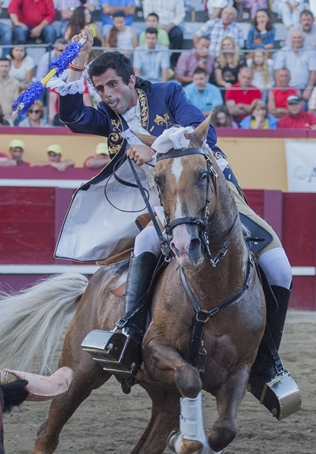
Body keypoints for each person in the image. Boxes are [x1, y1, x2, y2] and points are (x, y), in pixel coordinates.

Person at [55, 34, 299, 418]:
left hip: (212, 194)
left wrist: (154, 149)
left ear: (131, 80)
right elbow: (73, 117)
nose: (107, 94)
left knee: (280, 269)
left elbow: (202, 133)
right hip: (164, 203)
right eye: (99, 89)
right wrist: (75, 64)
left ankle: (267, 361)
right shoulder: (109, 117)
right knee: (145, 243)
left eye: (112, 85)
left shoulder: (166, 93)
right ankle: (129, 333)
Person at [274, 29, 316, 100]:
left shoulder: (311, 52)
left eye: (299, 37)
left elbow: (314, 72)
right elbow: (277, 71)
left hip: (305, 89)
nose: (297, 40)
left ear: (304, 39)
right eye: (294, 38)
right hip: (287, 89)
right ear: (290, 39)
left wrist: (309, 89)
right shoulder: (283, 52)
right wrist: (279, 89)